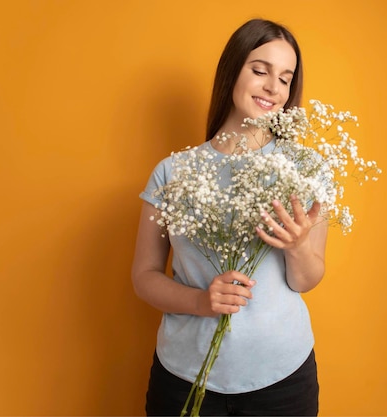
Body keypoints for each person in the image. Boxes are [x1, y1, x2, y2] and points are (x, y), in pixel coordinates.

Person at [132, 18, 328, 416]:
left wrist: (297, 245)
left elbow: (307, 279)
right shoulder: (173, 172)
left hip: (282, 380)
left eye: (286, 79)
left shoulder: (304, 168)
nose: (273, 87)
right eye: (260, 70)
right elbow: (144, 276)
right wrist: (202, 301)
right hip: (185, 377)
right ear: (232, 69)